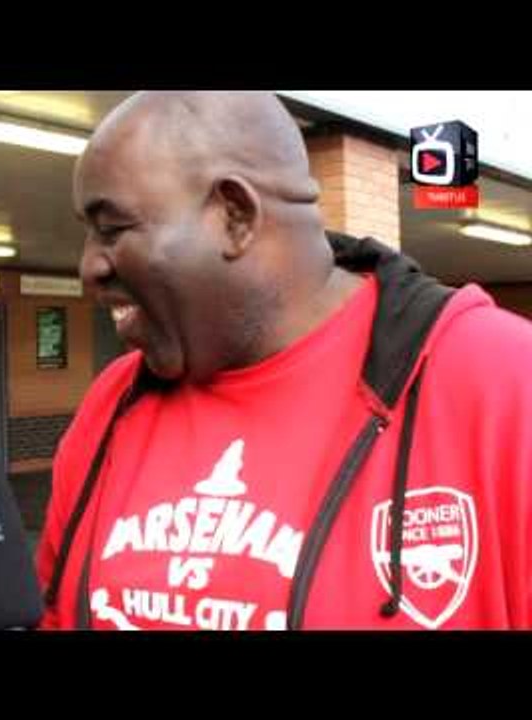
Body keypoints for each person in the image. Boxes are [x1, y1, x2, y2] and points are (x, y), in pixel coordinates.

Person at [38, 91, 532, 630]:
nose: (88, 267)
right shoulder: (111, 405)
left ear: (235, 215)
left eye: (113, 229)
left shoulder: (502, 382)